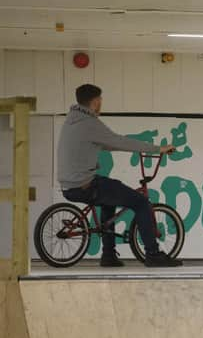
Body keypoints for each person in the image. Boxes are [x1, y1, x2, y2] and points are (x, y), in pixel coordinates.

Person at [57, 84, 182, 268]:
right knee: (141, 203)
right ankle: (153, 254)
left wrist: (117, 145)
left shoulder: (71, 121)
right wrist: (158, 149)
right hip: (85, 184)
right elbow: (119, 141)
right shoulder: (90, 123)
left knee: (110, 196)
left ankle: (108, 255)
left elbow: (107, 143)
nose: (101, 104)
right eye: (100, 100)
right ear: (95, 102)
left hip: (69, 186)